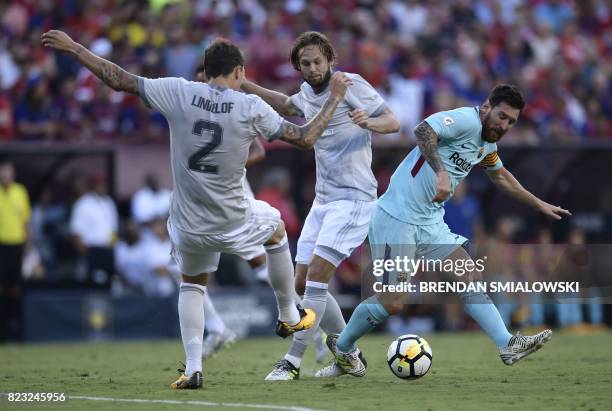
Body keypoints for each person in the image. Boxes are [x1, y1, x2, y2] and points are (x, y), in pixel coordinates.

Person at [42, 30, 352, 389]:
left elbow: (118, 78)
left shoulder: (179, 91)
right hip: (234, 217)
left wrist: (76, 46)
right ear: (238, 72)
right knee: (277, 227)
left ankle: (192, 369)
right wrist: (335, 99)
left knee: (191, 286)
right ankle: (286, 311)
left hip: (189, 223)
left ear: (204, 72)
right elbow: (305, 138)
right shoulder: (250, 106)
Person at [320, 84, 571, 378]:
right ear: (488, 106)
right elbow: (423, 130)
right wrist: (440, 171)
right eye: (502, 116)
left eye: (511, 122)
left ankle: (507, 344)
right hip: (396, 217)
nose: (504, 125)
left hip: (429, 221)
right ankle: (345, 348)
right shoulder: (466, 120)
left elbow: (500, 176)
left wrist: (538, 203)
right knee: (393, 301)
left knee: (467, 274)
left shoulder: (486, 144)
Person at [241, 31, 400, 380]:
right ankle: (349, 353)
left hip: (355, 199)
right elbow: (286, 104)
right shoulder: (307, 93)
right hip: (324, 200)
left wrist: (369, 122)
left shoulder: (350, 84)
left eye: (317, 61)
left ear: (330, 59)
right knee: (300, 283)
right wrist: (247, 85)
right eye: (305, 64)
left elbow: (394, 121)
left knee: (316, 277)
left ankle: (292, 361)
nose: (312, 68)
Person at [0, 160, 31, 341]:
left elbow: (26, 220)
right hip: (1, 244)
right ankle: (2, 331)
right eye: (2, 171)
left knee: (16, 288)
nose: (5, 175)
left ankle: (17, 329)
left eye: (7, 171)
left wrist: (28, 245)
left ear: (13, 174)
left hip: (16, 245)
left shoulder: (20, 192)